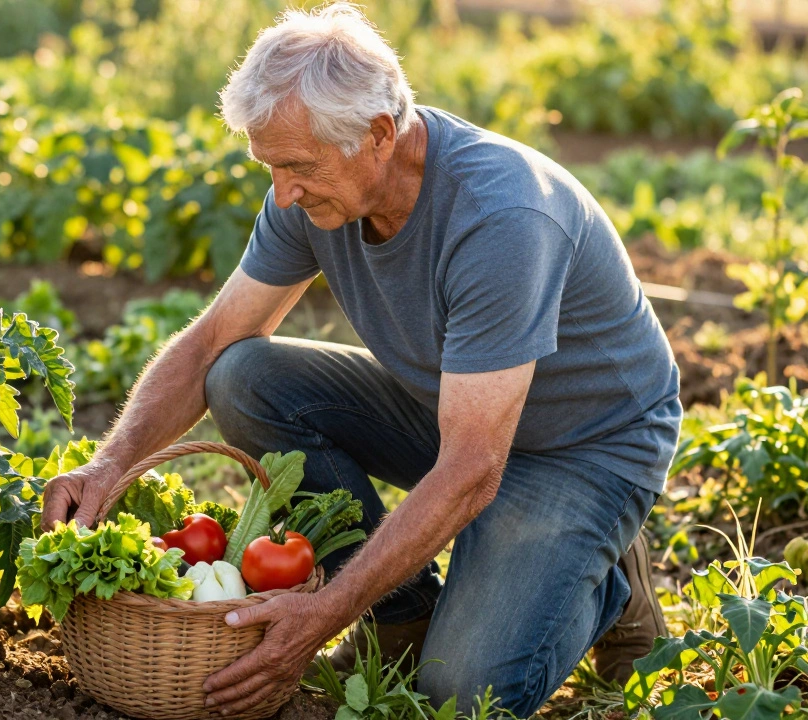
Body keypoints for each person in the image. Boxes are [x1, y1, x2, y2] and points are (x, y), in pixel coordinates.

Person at [41, 4, 680, 716]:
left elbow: (473, 469)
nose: (282, 193)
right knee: (243, 376)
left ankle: (608, 579)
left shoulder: (501, 220)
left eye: (298, 167)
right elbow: (212, 341)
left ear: (379, 134)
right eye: (271, 166)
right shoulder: (316, 189)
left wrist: (329, 610)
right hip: (454, 403)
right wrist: (110, 462)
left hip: (582, 444)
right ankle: (401, 615)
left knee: (459, 693)